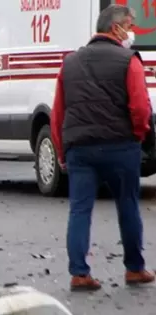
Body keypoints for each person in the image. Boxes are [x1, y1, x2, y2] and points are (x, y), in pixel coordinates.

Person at [51, 4, 155, 291]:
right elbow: (140, 107)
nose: (132, 32)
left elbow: (58, 113)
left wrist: (63, 151)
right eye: (130, 26)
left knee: (80, 210)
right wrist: (138, 134)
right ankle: (134, 268)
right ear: (116, 27)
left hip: (80, 150)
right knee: (128, 206)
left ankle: (79, 273)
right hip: (120, 146)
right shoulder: (128, 60)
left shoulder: (69, 63)